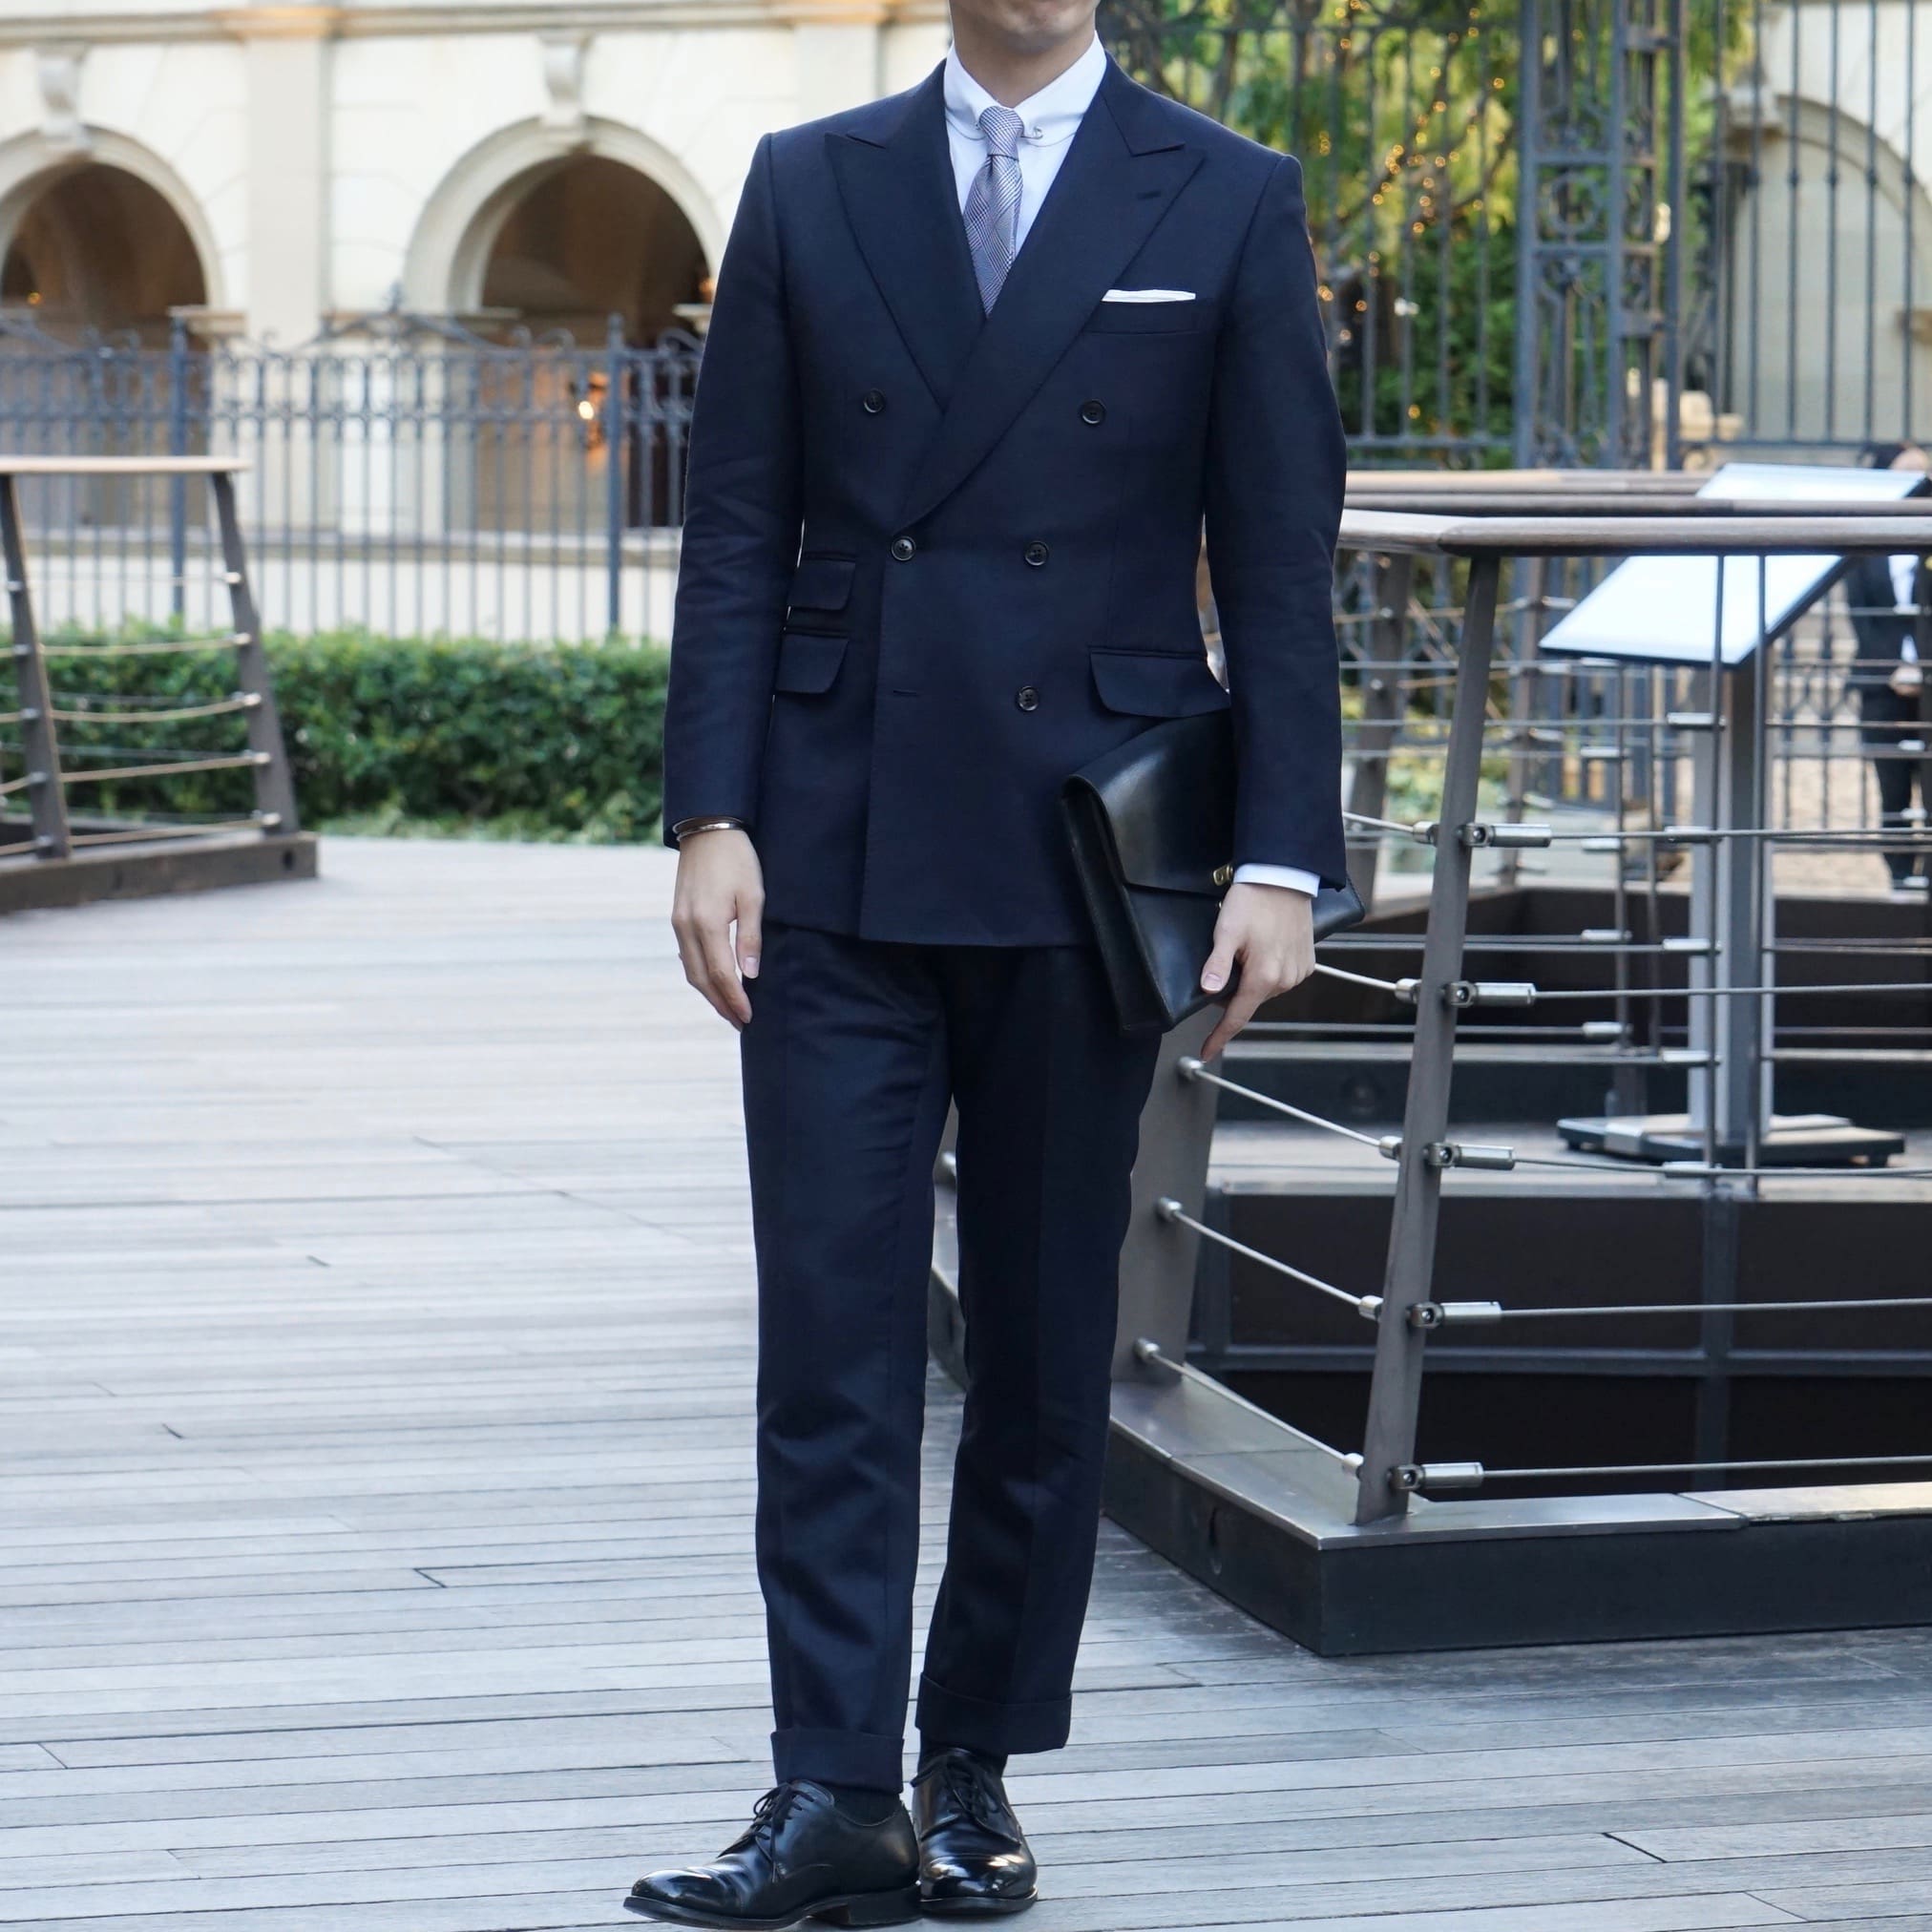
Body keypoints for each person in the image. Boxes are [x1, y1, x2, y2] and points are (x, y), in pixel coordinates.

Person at [627, 0, 1346, 1918]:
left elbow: (1277, 554)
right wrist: (710, 811)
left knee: (1036, 1347)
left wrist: (1281, 855)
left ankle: (972, 1762)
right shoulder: (808, 182)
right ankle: (827, 1783)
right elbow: (735, 525)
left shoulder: (1227, 194)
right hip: (831, 840)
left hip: (1082, 851)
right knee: (828, 1338)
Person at [1845, 441, 1930, 892]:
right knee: (1892, 788)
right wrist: (1894, 667)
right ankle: (1899, 875)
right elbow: (1861, 617)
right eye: (1905, 473)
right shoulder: (1864, 542)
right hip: (1882, 684)